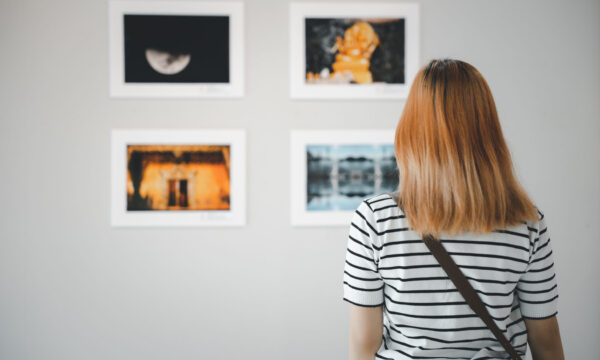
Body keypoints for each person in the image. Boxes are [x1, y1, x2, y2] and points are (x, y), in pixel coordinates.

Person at [342, 59, 565, 360]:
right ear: (488, 131)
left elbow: (363, 344)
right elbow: (546, 341)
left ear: (411, 129)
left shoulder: (374, 220)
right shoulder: (526, 223)